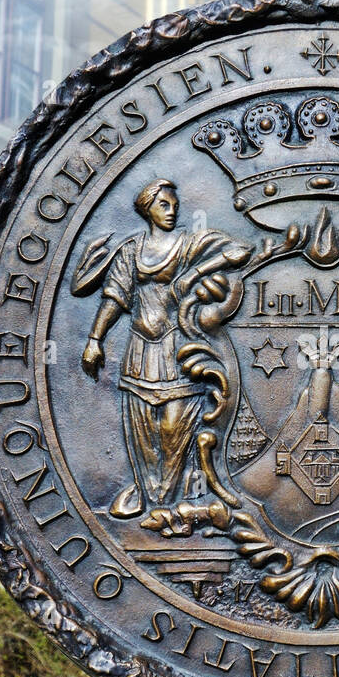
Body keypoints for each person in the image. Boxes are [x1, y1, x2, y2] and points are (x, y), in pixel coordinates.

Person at [76, 179, 248, 518]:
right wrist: (95, 339)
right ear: (147, 209)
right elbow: (114, 298)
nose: (172, 211)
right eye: (163, 205)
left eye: (173, 205)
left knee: (173, 428)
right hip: (139, 349)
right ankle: (146, 493)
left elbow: (241, 251)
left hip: (177, 348)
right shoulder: (130, 251)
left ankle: (167, 498)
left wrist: (197, 271)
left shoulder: (187, 245)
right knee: (142, 428)